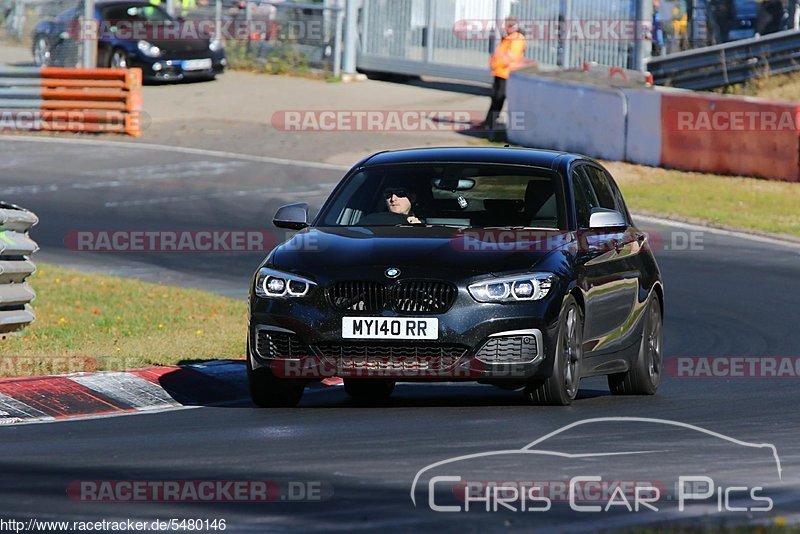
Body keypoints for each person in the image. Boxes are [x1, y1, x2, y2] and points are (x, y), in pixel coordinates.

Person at [484, 17, 526, 135]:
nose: (506, 28)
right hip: (499, 72)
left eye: (508, 26)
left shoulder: (516, 39)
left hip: (506, 74)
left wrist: (498, 62)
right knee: (496, 98)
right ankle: (489, 123)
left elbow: (511, 57)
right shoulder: (508, 38)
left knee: (499, 99)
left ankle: (491, 124)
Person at [358, 187, 424, 226]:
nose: (393, 199)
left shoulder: (429, 224)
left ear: (412, 197)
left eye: (400, 193)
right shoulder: (372, 220)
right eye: (388, 194)